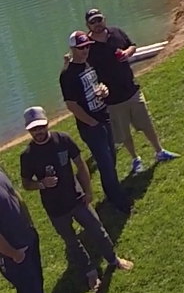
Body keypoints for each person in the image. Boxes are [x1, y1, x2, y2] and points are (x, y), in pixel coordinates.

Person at [19, 107, 133, 292]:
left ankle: (113, 259)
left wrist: (88, 191)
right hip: (55, 209)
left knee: (98, 230)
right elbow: (25, 183)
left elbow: (80, 164)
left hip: (77, 199)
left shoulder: (63, 139)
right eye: (33, 129)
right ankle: (90, 273)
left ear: (47, 123)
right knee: (72, 243)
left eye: (40, 127)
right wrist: (41, 183)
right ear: (28, 130)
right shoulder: (27, 155)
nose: (38, 132)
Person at [83, 9, 179, 175]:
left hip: (131, 89)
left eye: (99, 20)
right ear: (88, 25)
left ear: (104, 19)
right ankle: (136, 159)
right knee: (124, 132)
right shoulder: (87, 47)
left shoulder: (116, 33)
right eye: (93, 22)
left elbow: (132, 45)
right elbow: (86, 71)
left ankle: (159, 151)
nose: (97, 24)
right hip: (112, 99)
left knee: (146, 124)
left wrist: (127, 53)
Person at [60, 32, 132, 213]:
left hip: (103, 116)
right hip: (90, 126)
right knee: (105, 162)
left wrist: (104, 90)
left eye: (87, 46)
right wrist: (91, 122)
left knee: (111, 158)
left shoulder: (89, 64)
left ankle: (113, 191)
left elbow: (98, 84)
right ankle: (118, 200)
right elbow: (71, 105)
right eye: (81, 47)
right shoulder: (68, 75)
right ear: (73, 49)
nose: (85, 50)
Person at [0, 165, 41, 293]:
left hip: (28, 237)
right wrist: (13, 254)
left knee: (37, 284)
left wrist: (30, 225)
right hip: (14, 251)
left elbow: (13, 193)